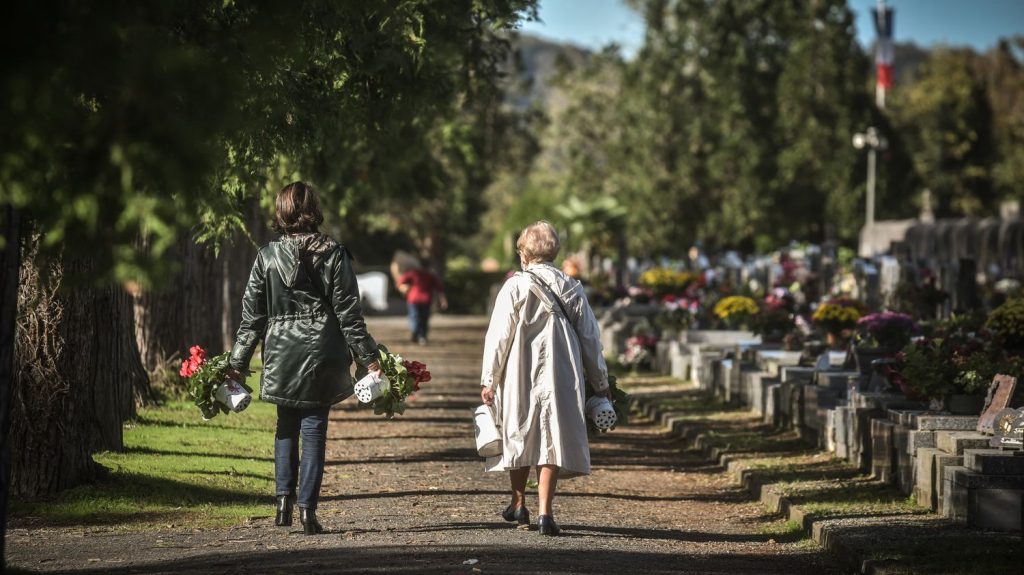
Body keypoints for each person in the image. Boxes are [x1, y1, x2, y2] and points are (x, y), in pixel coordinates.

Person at [227, 181, 381, 535]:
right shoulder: (334, 255)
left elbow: (252, 319)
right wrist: (369, 359)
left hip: (280, 353)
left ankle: (282, 501)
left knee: (285, 427)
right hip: (321, 353)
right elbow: (349, 316)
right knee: (313, 431)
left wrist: (237, 365)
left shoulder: (265, 256)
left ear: (281, 212)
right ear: (314, 209)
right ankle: (308, 510)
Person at [479, 221, 610, 536]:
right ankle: (546, 513)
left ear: (523, 254)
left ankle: (518, 502)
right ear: (555, 252)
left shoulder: (515, 286)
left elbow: (498, 337)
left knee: (519, 430)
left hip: (519, 370)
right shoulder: (571, 286)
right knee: (552, 435)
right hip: (561, 371)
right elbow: (590, 338)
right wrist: (600, 380)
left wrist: (490, 379)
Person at [398, 261, 447, 345]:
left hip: (414, 299)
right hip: (424, 300)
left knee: (415, 317)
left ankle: (415, 332)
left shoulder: (413, 273)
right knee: (423, 319)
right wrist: (443, 300)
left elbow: (401, 282)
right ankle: (421, 336)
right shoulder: (429, 275)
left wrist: (403, 287)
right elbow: (440, 289)